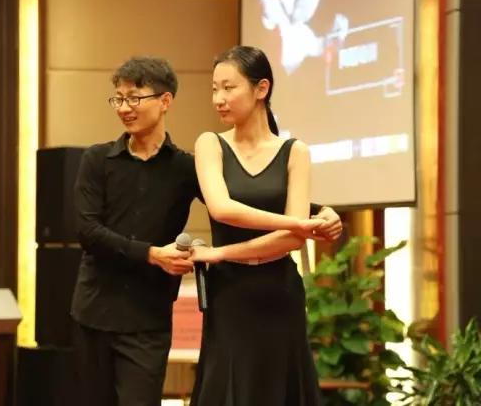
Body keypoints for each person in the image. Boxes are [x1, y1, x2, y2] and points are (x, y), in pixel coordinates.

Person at [71, 56, 340, 406]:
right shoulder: (96, 159)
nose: (124, 108)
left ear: (165, 101)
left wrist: (319, 211)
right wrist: (152, 254)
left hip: (148, 316)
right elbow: (87, 230)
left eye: (134, 98)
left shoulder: (184, 167)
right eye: (119, 99)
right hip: (94, 310)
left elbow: (247, 199)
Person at [189, 45, 323, 405]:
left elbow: (292, 241)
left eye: (228, 88)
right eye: (214, 89)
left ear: (261, 88)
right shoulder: (210, 144)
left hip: (279, 293)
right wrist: (295, 222)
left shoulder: (296, 151)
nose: (218, 99)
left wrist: (221, 253)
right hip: (229, 295)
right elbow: (223, 209)